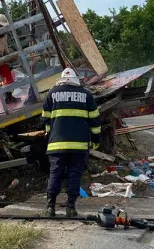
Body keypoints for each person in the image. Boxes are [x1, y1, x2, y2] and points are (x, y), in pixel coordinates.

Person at [42, 67, 100, 218]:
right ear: (76, 80)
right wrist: (95, 140)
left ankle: (50, 207)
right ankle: (71, 207)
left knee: (55, 173)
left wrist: (49, 134)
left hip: (56, 144)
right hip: (79, 146)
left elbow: (45, 118)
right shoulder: (86, 95)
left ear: (61, 80)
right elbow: (95, 121)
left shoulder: (52, 93)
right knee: (74, 174)